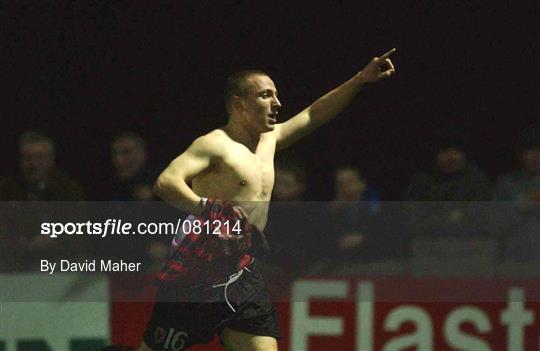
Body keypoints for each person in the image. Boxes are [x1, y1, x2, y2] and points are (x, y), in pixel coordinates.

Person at [138, 49, 396, 351]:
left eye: (276, 95)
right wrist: (209, 210)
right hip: (199, 271)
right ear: (240, 104)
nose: (277, 103)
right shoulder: (214, 145)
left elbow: (314, 114)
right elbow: (166, 182)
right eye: (265, 95)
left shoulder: (269, 140)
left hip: (243, 271)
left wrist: (360, 79)